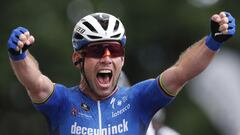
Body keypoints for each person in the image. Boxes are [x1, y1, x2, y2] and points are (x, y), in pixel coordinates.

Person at [7, 11, 235, 135]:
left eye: (114, 49)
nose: (107, 57)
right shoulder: (62, 102)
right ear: (77, 59)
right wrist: (19, 55)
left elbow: (181, 72)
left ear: (122, 58)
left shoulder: (138, 100)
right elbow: (35, 83)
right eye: (97, 50)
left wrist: (212, 41)